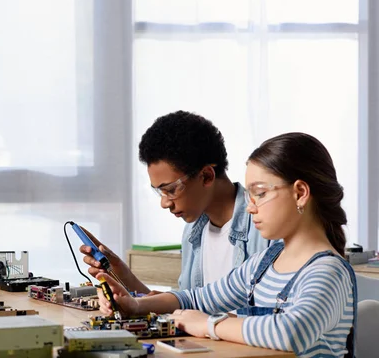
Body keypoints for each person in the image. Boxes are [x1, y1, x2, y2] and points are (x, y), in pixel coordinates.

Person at [98, 133, 357, 357]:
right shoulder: (263, 264)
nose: (251, 207)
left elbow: (292, 332)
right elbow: (196, 298)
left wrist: (209, 325)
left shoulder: (327, 272)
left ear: (300, 193)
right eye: (250, 196)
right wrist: (136, 305)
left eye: (261, 193)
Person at [80, 111, 268, 293]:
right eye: (160, 192)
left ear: (206, 176)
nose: (164, 203)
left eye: (170, 190)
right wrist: (121, 275)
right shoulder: (194, 231)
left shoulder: (265, 227)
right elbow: (181, 308)